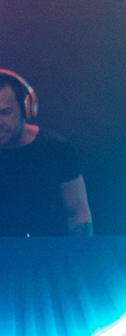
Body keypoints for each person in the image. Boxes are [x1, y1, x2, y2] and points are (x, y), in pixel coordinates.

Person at [0, 69, 93, 236]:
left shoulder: (57, 150)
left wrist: (80, 250)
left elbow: (78, 213)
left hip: (47, 250)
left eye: (5, 112)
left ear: (27, 108)